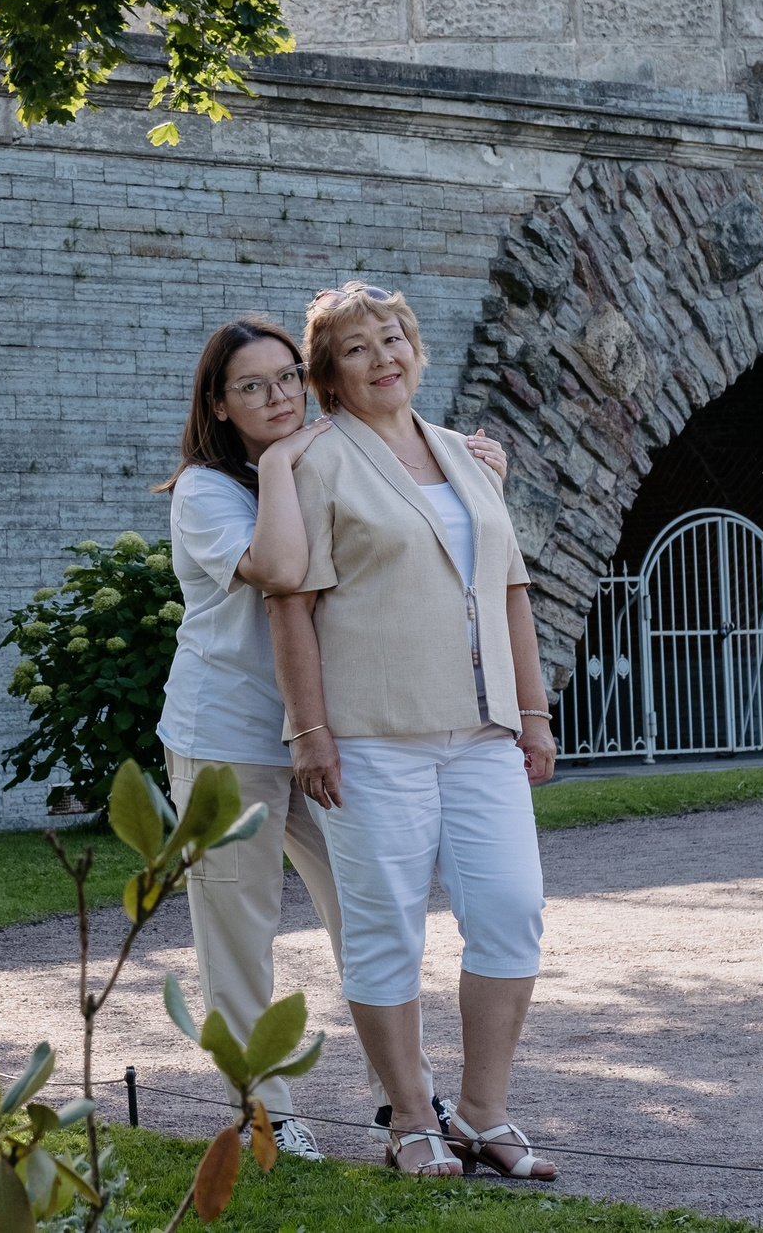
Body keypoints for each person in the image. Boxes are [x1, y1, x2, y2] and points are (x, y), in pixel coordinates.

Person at [157, 315, 508, 1162]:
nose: (277, 396)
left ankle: (408, 1097)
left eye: (287, 377)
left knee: (371, 909)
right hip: (229, 738)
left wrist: (475, 464)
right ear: (219, 402)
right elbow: (279, 570)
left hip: (323, 732)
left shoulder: (333, 456)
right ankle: (263, 1110)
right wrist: (280, 463)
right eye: (252, 386)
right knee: (239, 929)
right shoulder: (207, 491)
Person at [266, 281, 558, 1181]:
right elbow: (290, 602)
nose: (383, 356)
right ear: (329, 375)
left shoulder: (470, 454)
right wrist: (310, 730)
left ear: (416, 350)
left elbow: (510, 588)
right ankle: (408, 1118)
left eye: (393, 337)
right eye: (357, 347)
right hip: (371, 737)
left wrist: (534, 711)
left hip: (483, 733)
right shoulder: (320, 462)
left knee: (511, 910)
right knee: (386, 927)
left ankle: (482, 1112)